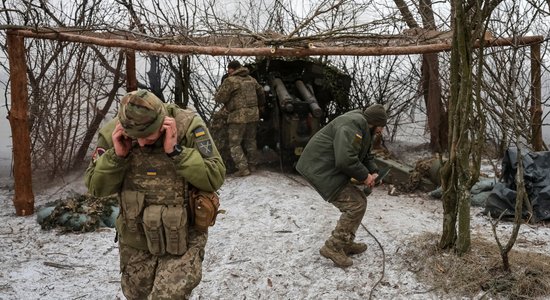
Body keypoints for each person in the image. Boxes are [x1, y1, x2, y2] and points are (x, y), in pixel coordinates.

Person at [85, 90, 225, 299]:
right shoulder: (112, 132)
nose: (141, 144)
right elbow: (96, 188)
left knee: (167, 296)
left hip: (183, 237)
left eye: (148, 137)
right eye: (135, 139)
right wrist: (117, 157)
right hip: (135, 237)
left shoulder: (189, 126)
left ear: (164, 123)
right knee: (136, 295)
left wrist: (177, 152)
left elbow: (215, 177)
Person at [295, 104, 388, 268]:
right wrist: (364, 176)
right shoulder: (351, 126)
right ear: (374, 122)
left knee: (359, 201)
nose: (381, 130)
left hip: (328, 167)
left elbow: (365, 155)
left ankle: (345, 242)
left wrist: (373, 172)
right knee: (355, 204)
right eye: (381, 126)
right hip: (320, 168)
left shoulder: (363, 126)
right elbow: (345, 160)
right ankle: (333, 247)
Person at [214, 60, 265, 177]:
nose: (228, 72)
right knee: (250, 140)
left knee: (234, 143)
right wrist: (260, 105)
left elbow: (220, 98)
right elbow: (261, 92)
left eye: (228, 69)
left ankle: (243, 168)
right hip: (253, 115)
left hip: (238, 116)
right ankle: (252, 165)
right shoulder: (251, 79)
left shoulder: (230, 80)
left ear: (232, 69)